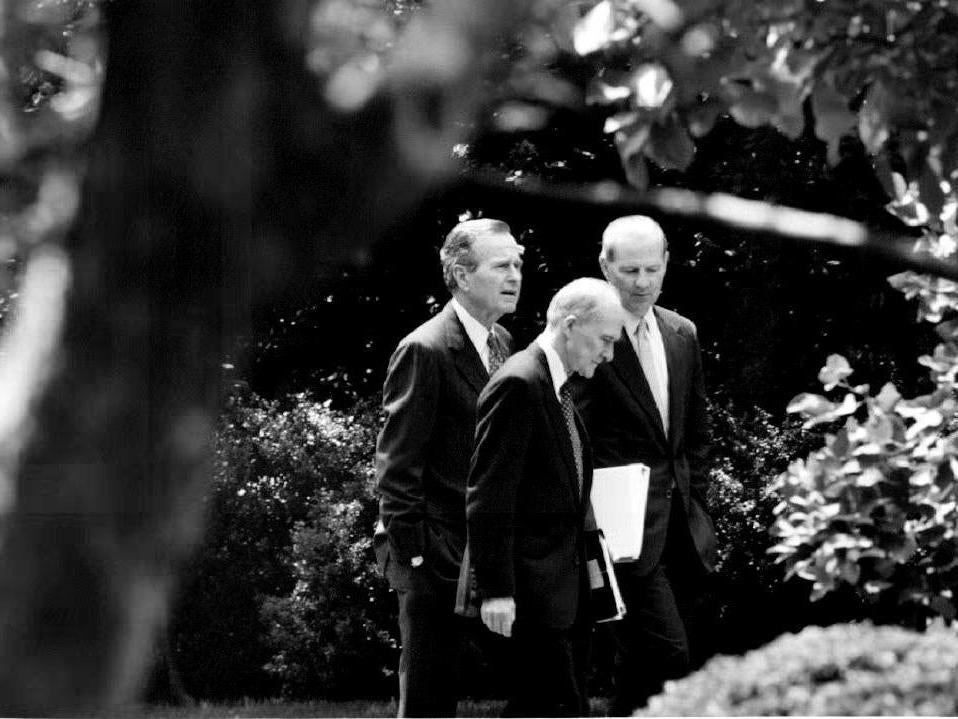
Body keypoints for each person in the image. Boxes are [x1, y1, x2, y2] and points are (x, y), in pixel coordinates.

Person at [374, 217, 524, 717]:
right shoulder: (425, 348)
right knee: (429, 701)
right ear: (461, 275)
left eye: (518, 263)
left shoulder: (503, 341)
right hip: (433, 557)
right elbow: (396, 467)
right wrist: (415, 557)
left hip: (487, 550)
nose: (515, 274)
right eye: (502, 265)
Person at [460, 277, 624, 717]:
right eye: (604, 340)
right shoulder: (519, 383)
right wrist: (496, 590)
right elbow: (488, 495)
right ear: (570, 326)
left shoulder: (557, 387)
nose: (608, 354)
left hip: (562, 596)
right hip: (529, 596)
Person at [578, 215, 717, 715]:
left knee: (640, 671)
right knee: (670, 656)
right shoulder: (587, 337)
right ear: (604, 267)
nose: (641, 283)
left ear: (666, 265)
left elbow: (695, 433)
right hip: (622, 537)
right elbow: (575, 438)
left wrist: (697, 500)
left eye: (651, 270)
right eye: (629, 270)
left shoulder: (683, 333)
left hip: (684, 529)